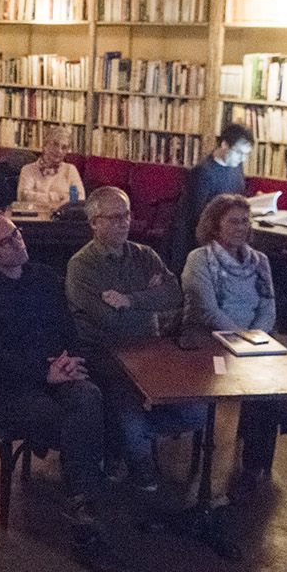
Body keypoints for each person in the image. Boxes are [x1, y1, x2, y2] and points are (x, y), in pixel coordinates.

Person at [0, 211, 136, 572]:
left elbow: (68, 328)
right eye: (5, 241)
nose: (17, 241)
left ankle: (83, 507)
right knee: (74, 419)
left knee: (89, 395)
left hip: (58, 371)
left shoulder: (42, 277)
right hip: (13, 388)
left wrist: (68, 360)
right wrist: (45, 372)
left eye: (17, 233)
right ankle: (87, 513)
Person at [181, 193, 287, 501]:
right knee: (263, 383)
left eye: (245, 221)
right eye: (233, 221)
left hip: (251, 340)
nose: (241, 227)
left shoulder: (260, 261)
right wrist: (242, 338)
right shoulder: (199, 260)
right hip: (207, 341)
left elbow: (269, 304)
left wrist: (257, 335)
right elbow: (208, 311)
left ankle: (256, 469)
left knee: (260, 384)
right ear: (214, 225)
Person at [65, 187, 202, 491]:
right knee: (128, 403)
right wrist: (150, 296)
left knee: (197, 409)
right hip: (107, 352)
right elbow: (108, 320)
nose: (123, 222)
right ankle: (140, 463)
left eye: (126, 214)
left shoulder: (145, 255)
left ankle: (127, 443)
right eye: (113, 217)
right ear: (94, 223)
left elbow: (175, 296)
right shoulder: (82, 266)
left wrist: (129, 299)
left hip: (151, 347)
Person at [170, 122, 254, 266]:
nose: (243, 159)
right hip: (203, 241)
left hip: (227, 233)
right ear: (224, 145)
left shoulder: (236, 166)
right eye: (240, 153)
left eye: (246, 154)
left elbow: (237, 197)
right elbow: (196, 216)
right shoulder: (203, 172)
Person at [16, 130, 86, 211]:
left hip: (61, 219)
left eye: (64, 147)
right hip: (34, 219)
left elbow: (80, 198)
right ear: (44, 145)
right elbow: (24, 197)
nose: (59, 151)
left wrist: (37, 197)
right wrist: (58, 197)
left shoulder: (70, 169)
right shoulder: (28, 169)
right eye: (55, 145)